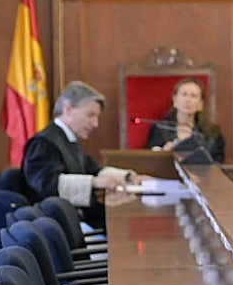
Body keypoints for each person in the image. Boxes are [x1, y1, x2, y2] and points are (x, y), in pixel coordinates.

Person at [21, 80, 145, 226]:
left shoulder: (67, 140)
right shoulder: (44, 143)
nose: (95, 124)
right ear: (68, 109)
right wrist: (94, 182)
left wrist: (130, 177)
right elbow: (46, 186)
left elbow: (92, 169)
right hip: (55, 225)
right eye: (90, 115)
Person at [144, 77, 226, 162]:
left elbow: (217, 165)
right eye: (184, 94)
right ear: (175, 100)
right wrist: (163, 153)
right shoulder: (160, 128)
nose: (188, 100)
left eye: (193, 96)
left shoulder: (212, 134)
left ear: (200, 104)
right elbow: (149, 159)